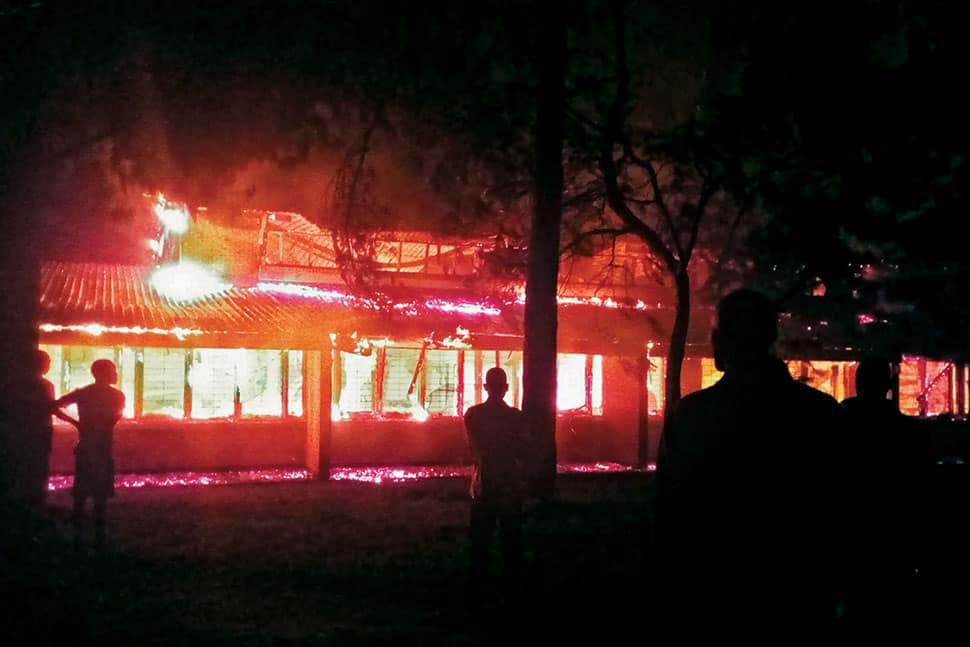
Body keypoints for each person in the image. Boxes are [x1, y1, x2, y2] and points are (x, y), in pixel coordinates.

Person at [654, 288, 849, 637]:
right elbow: (842, 512)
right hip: (798, 599)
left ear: (718, 343)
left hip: (713, 599)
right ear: (771, 338)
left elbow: (669, 518)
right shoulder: (819, 414)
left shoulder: (691, 417)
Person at [840, 356, 932, 629]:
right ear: (889, 386)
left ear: (858, 383)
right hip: (896, 539)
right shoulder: (910, 432)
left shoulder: (839, 426)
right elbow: (922, 488)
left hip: (851, 536)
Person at [462, 366, 532, 605]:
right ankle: (513, 591)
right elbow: (524, 449)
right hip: (510, 482)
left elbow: (473, 449)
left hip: (485, 481)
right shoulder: (516, 417)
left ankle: (477, 591)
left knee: (480, 540)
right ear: (506, 388)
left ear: (485, 387)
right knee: (511, 539)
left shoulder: (472, 415)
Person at [54, 359, 125, 546]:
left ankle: (77, 534)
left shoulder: (83, 393)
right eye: (113, 370)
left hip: (85, 445)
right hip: (102, 447)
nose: (116, 374)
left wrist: (77, 424)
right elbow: (114, 418)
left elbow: (55, 405)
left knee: (81, 491)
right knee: (100, 494)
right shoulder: (117, 396)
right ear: (104, 373)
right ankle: (98, 536)